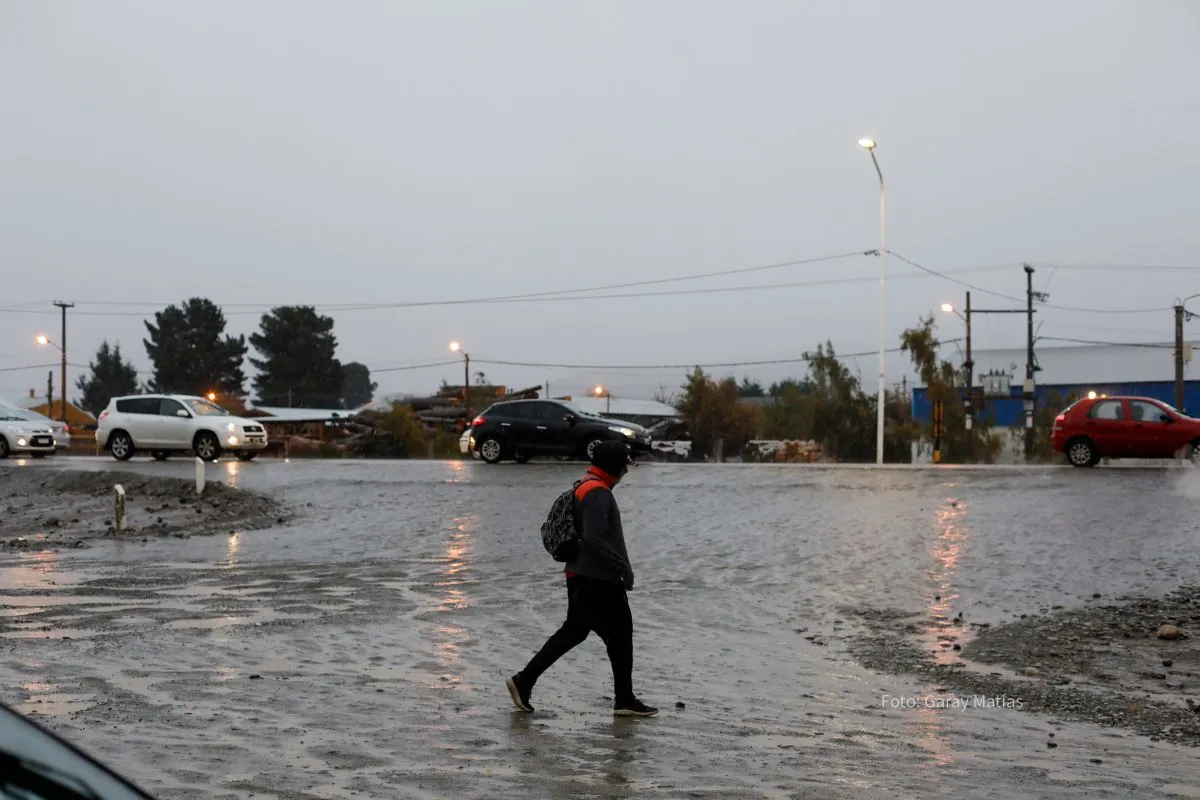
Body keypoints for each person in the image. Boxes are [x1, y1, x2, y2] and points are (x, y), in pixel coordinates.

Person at [506, 440, 658, 717]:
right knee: (615, 633)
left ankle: (526, 681)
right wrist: (623, 567)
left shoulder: (585, 483)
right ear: (614, 466)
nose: (626, 470)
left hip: (580, 574)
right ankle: (622, 699)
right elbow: (594, 538)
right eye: (624, 465)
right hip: (597, 579)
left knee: (585, 632)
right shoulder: (598, 493)